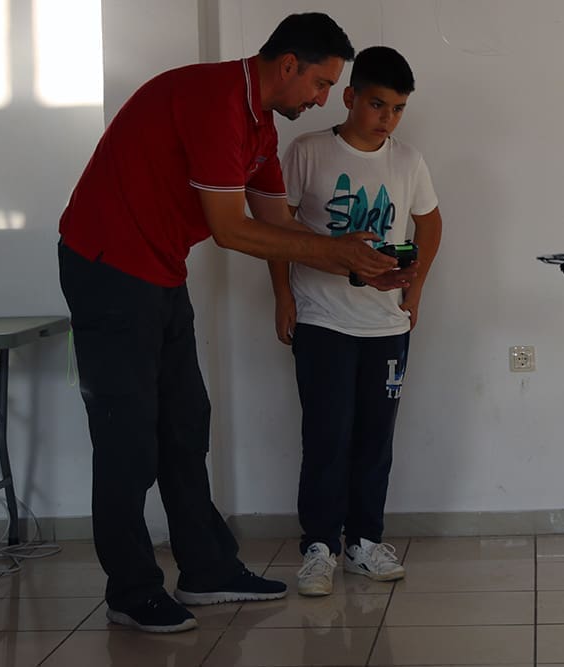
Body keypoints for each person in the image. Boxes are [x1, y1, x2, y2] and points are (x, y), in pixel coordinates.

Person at [58, 14, 415, 634]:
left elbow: (279, 224)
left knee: (185, 424)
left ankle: (206, 568)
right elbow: (231, 229)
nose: (323, 99)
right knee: (128, 437)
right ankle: (131, 590)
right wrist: (337, 253)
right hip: (108, 268)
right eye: (322, 84)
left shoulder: (260, 126)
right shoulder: (214, 101)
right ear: (288, 65)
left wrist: (360, 267)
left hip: (161, 271)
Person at [268, 46, 443, 596]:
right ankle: (319, 547)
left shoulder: (408, 161)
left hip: (386, 326)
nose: (387, 118)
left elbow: (430, 223)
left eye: (398, 109)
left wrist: (416, 287)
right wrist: (282, 295)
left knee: (375, 439)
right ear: (348, 97)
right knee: (326, 436)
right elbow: (277, 229)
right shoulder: (307, 152)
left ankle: (365, 543)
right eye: (376, 104)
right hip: (322, 320)